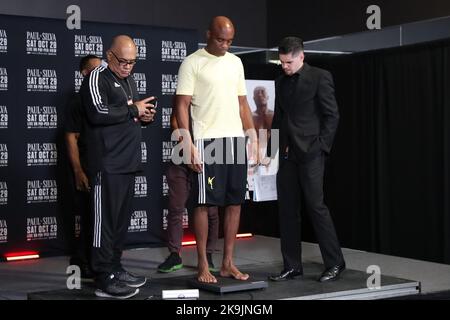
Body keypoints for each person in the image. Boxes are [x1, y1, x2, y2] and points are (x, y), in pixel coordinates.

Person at [175, 16, 258, 283]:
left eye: (230, 41)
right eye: (221, 40)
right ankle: (202, 265)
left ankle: (227, 264)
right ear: (209, 34)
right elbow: (181, 105)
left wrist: (253, 135)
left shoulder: (236, 62)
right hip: (207, 142)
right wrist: (187, 142)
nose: (225, 45)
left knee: (235, 203)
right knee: (204, 203)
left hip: (234, 142)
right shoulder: (192, 62)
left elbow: (243, 103)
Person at [80, 35, 156, 299]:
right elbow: (97, 113)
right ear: (109, 55)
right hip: (107, 163)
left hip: (127, 162)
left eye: (132, 62)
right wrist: (133, 110)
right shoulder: (96, 77)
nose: (127, 67)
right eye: (123, 61)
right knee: (105, 224)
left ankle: (115, 267)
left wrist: (143, 116)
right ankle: (102, 276)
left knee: (120, 223)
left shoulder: (128, 79)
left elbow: (127, 114)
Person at [269, 36, 346, 282]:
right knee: (287, 210)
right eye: (281, 62)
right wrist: (271, 150)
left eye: (289, 62)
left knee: (316, 206)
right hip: (287, 155)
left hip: (312, 153)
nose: (285, 67)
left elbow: (332, 115)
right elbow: (278, 119)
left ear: (302, 56)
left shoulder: (320, 77)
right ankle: (292, 265)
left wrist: (322, 146)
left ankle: (335, 263)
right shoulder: (280, 82)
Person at [158, 111, 219, 273]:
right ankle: (174, 255)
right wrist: (188, 151)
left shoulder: (212, 94)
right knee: (175, 207)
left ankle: (208, 254)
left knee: (210, 209)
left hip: (208, 157)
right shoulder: (183, 93)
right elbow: (174, 123)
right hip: (181, 159)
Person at [65, 55, 102, 279]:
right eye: (94, 70)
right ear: (84, 73)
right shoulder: (78, 102)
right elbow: (71, 137)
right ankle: (81, 262)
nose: (99, 74)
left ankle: (97, 261)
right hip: (86, 168)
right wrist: (78, 171)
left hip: (103, 167)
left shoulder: (101, 99)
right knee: (89, 217)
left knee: (100, 218)